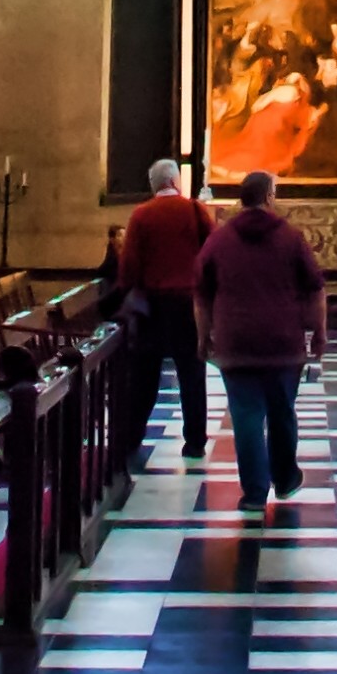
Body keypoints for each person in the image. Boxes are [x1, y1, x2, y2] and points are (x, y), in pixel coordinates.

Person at [195, 170, 327, 507]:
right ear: (268, 197)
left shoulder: (219, 240)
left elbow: (202, 293)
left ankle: (254, 492)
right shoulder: (291, 238)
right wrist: (319, 333)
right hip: (283, 343)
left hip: (235, 342)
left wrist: (203, 336)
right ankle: (284, 479)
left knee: (246, 416)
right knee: (282, 411)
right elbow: (315, 289)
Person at [113, 156, 218, 469]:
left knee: (145, 375)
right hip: (188, 303)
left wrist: (126, 291)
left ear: (154, 184)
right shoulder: (194, 210)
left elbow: (129, 263)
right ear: (175, 181)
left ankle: (132, 438)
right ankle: (195, 442)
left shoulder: (142, 214)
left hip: (153, 305)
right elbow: (213, 250)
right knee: (192, 372)